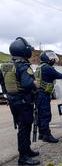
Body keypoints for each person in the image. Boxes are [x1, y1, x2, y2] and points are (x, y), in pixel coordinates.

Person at [1, 37, 40, 165]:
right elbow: (27, 84)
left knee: (24, 127)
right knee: (24, 128)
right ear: (24, 51)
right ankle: (23, 158)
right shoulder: (23, 65)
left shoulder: (6, 65)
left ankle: (27, 150)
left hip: (13, 101)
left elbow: (2, 84)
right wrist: (35, 83)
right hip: (24, 101)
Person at [35, 50, 62, 143]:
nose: (53, 59)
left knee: (40, 115)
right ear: (46, 58)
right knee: (45, 115)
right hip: (43, 95)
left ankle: (41, 134)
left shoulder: (40, 67)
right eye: (50, 56)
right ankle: (47, 135)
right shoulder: (47, 68)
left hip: (39, 94)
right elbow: (57, 75)